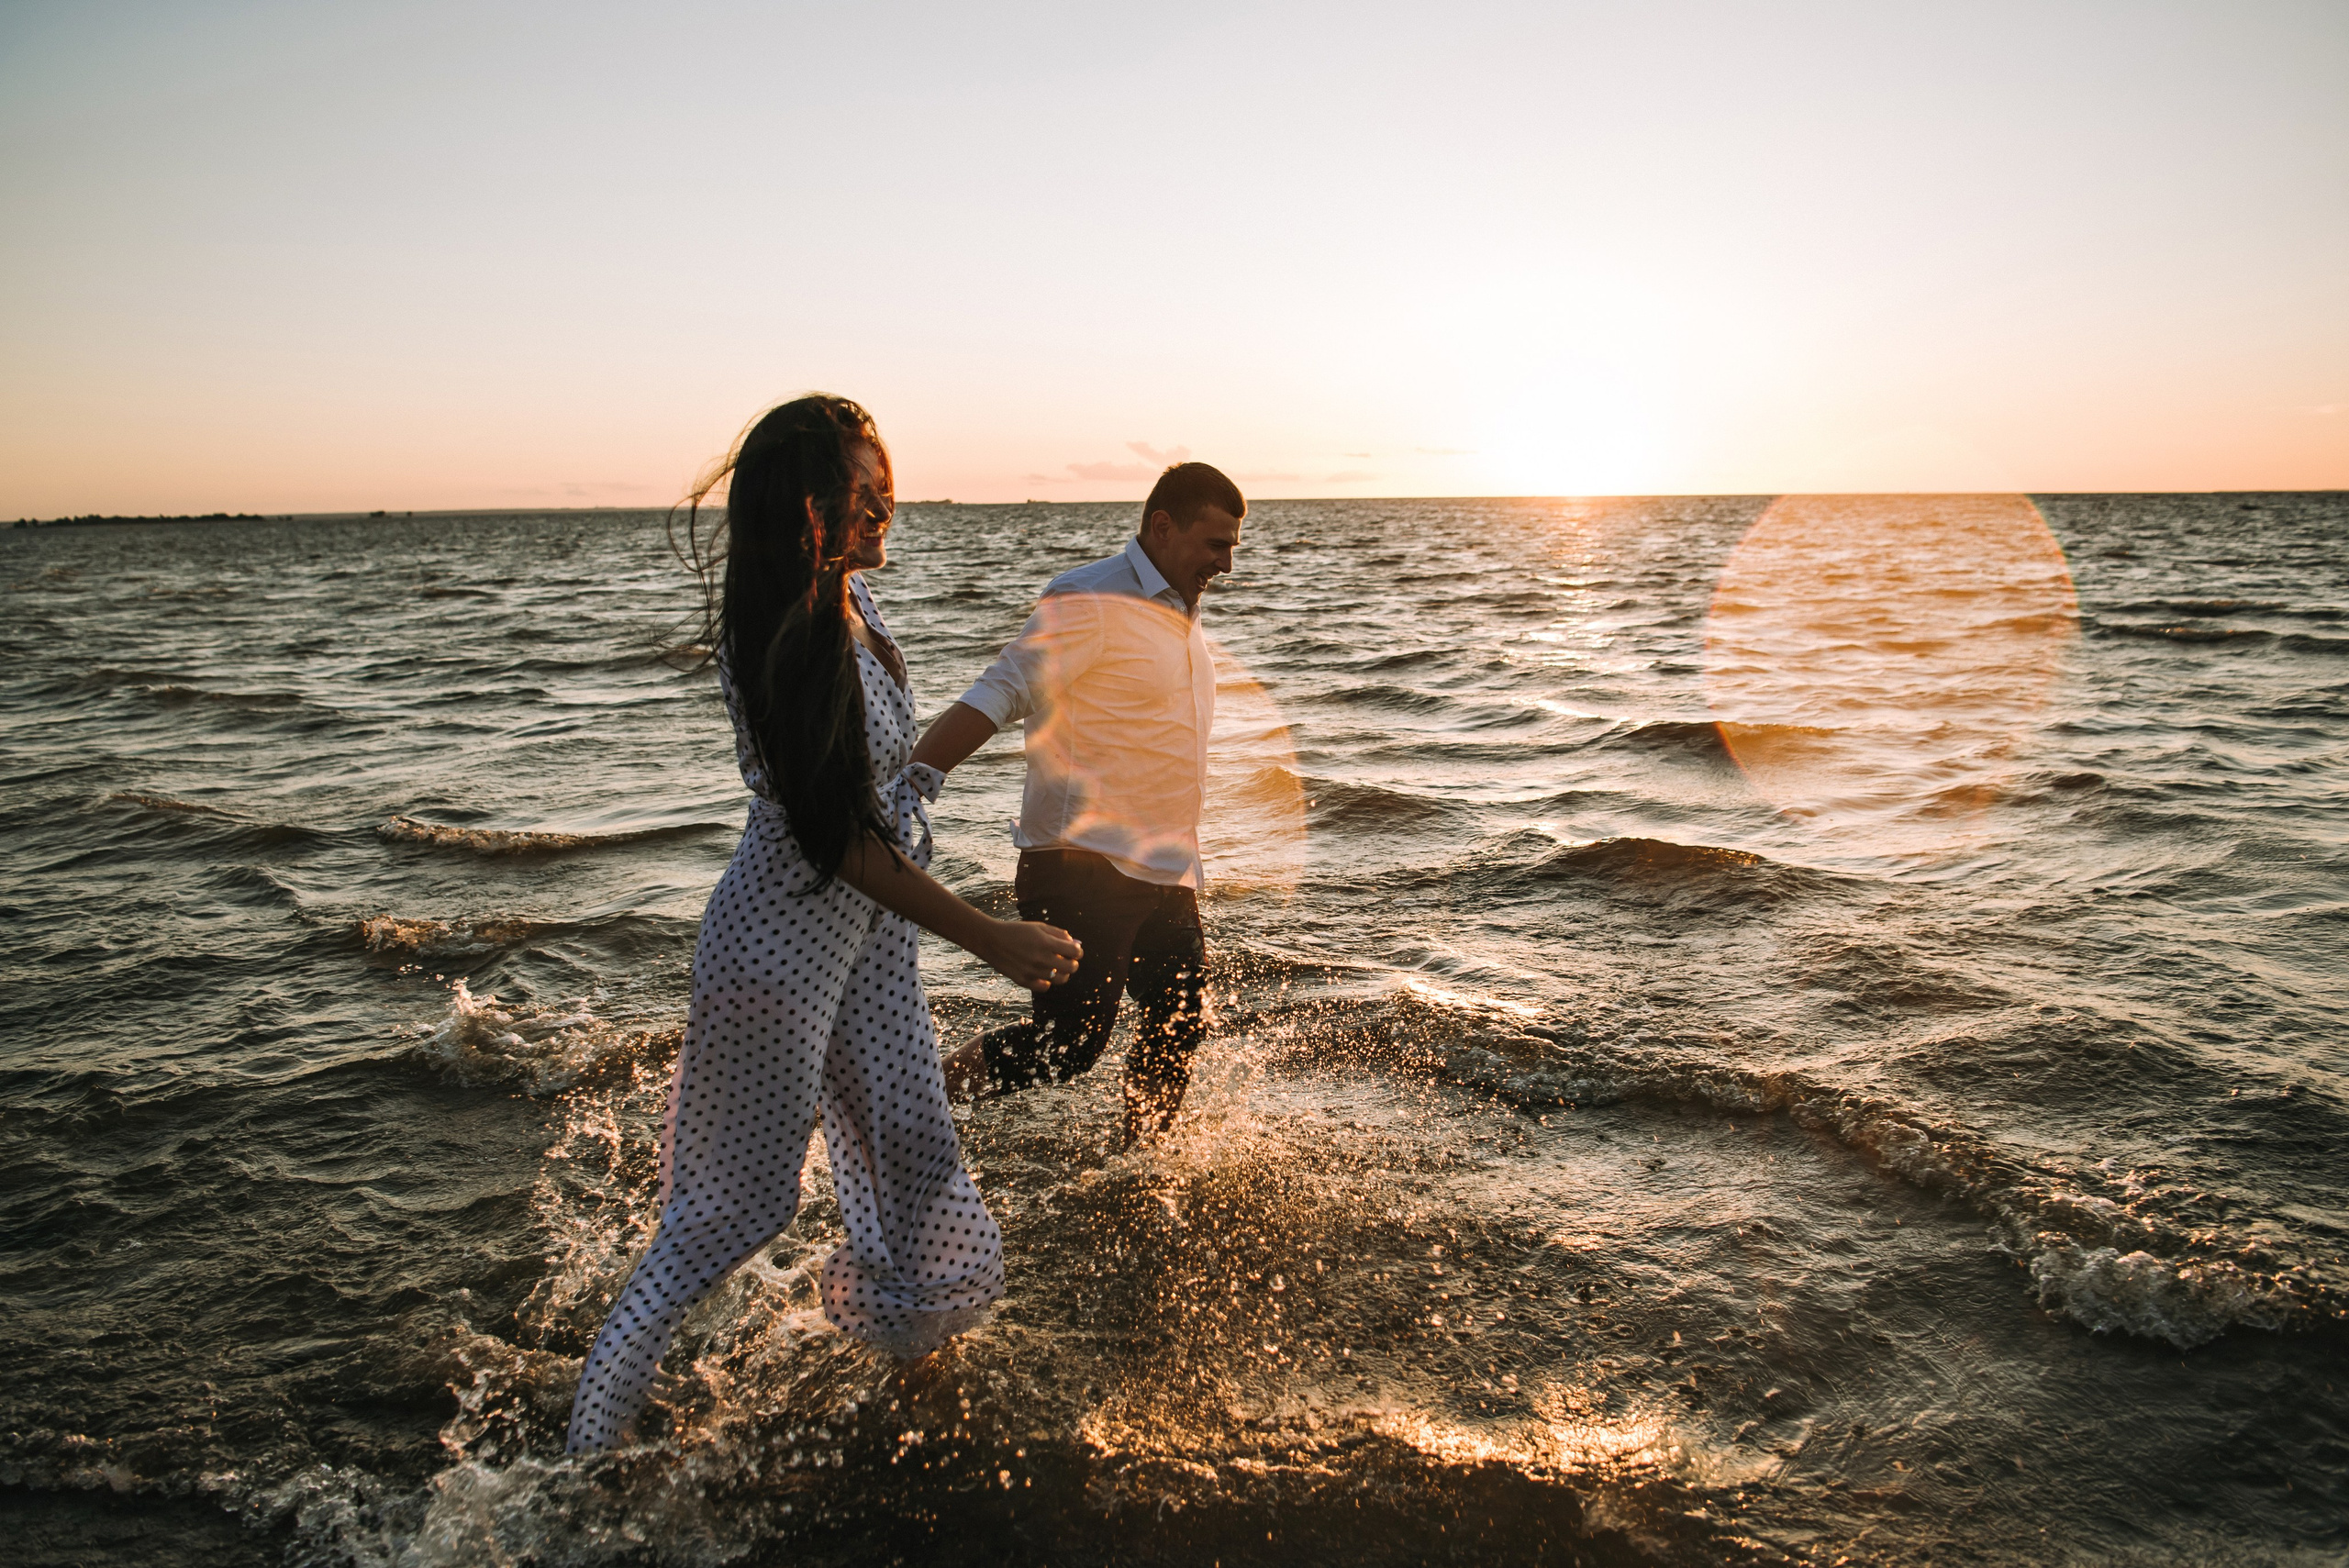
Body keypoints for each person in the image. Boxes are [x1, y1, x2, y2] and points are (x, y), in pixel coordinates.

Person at [566, 395, 1082, 1454]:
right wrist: (991, 935)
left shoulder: (850, 603)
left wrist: (944, 764)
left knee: (917, 1168)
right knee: (728, 1214)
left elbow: (879, 785)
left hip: (868, 946)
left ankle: (911, 1387)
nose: (886, 503)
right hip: (780, 945)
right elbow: (833, 836)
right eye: (862, 489)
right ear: (805, 508)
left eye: (887, 480)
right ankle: (582, 1461)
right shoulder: (795, 632)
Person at [913, 463, 1244, 1142]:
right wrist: (912, 779)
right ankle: (908, 1105)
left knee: (1181, 1017)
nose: (1227, 563)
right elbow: (1002, 690)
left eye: (1233, 546)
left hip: (1163, 870)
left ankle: (1140, 1159)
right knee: (1069, 1046)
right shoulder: (1090, 596)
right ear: (1162, 527)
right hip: (1081, 868)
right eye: (1215, 544)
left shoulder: (1181, 610)